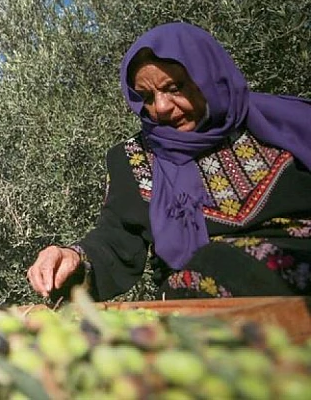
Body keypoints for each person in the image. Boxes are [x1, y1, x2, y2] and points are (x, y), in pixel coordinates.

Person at [27, 22, 311, 301]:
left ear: (208, 77)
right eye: (147, 97)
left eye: (174, 87)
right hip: (197, 306)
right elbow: (117, 239)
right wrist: (73, 256)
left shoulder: (291, 124)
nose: (161, 107)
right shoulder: (134, 158)